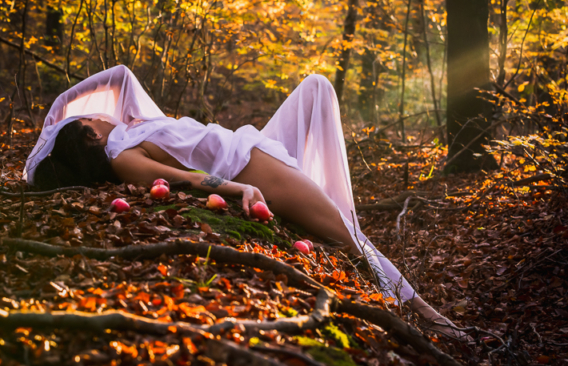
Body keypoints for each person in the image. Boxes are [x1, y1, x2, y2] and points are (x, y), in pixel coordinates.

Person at [24, 65, 461, 336]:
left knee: (317, 87)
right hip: (253, 169)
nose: (101, 112)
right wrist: (238, 189)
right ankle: (425, 313)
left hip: (253, 145)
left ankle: (333, 204)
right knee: (350, 240)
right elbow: (184, 179)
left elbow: (118, 74)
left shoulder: (130, 128)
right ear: (89, 136)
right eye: (90, 119)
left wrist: (56, 114)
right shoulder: (121, 157)